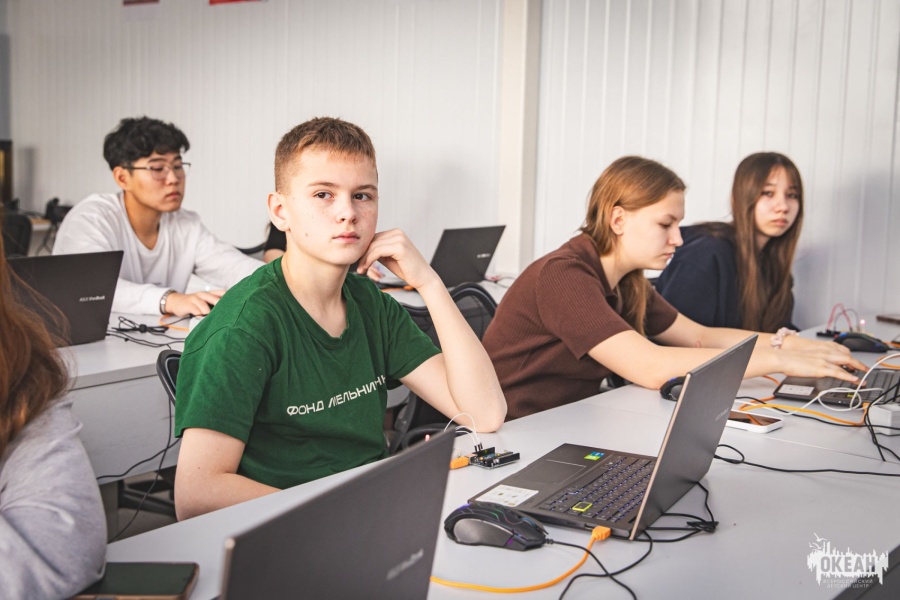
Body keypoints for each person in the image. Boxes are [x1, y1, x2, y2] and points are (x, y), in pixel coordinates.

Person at [173, 117, 506, 519]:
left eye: (362, 195)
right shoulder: (244, 327)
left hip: (374, 511)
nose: (348, 212)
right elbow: (196, 493)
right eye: (323, 194)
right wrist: (342, 511)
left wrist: (430, 284)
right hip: (292, 528)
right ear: (280, 211)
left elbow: (484, 414)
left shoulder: (371, 304)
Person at [482, 156, 865, 420]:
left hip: (568, 423)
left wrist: (792, 345)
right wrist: (779, 362)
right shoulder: (564, 275)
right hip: (516, 434)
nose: (678, 239)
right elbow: (649, 367)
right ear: (618, 219)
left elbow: (700, 336)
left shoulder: (628, 281)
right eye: (666, 224)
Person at [53, 116, 263, 316]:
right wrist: (169, 300)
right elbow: (92, 288)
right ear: (122, 178)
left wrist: (276, 275)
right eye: (157, 168)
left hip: (152, 336)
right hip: (83, 339)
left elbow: (231, 266)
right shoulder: (91, 218)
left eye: (178, 166)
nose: (173, 178)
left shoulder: (186, 223)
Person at [0, 219, 106, 598]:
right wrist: (162, 298)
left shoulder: (20, 373)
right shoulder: (92, 218)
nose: (174, 186)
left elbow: (63, 553)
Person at [655, 152, 802, 331]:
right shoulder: (705, 254)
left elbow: (778, 331)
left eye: (792, 195)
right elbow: (677, 339)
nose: (783, 207)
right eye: (768, 193)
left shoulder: (772, 264)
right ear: (741, 197)